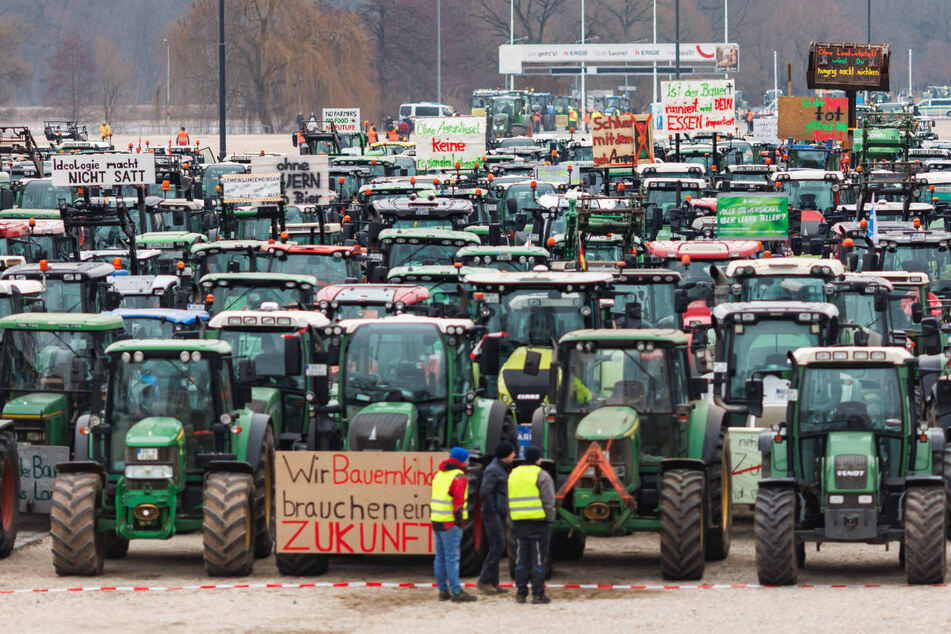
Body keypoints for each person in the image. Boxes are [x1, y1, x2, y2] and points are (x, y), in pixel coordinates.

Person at [508, 445, 555, 604]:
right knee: (538, 559)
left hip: (518, 522)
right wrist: (550, 519)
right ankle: (538, 594)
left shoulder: (513, 474)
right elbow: (548, 501)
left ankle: (521, 593)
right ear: (537, 459)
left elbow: (509, 498)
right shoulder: (541, 475)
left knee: (521, 558)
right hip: (538, 523)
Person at [431, 447, 477, 602]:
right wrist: (460, 521)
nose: (469, 462)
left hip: (437, 519)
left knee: (440, 557)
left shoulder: (438, 475)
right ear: (462, 460)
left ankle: (443, 591)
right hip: (450, 523)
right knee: (452, 557)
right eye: (467, 459)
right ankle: (457, 591)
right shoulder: (459, 477)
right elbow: (458, 503)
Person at [477, 441, 516, 595]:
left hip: (498, 513)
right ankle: (484, 580)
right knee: (498, 546)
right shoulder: (493, 470)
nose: (514, 455)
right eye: (512, 452)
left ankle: (494, 583)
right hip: (492, 514)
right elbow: (485, 492)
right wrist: (493, 511)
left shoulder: (501, 469)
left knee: (497, 546)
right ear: (505, 455)